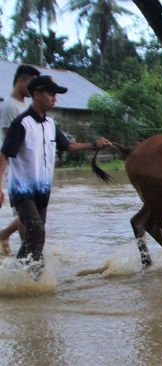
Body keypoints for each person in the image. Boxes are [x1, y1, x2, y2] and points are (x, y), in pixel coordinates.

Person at [0, 75, 111, 279]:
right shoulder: (21, 123)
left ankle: (24, 277)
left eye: (55, 95)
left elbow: (67, 146)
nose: (54, 99)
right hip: (22, 190)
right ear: (36, 95)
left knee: (35, 235)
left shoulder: (50, 123)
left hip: (43, 190)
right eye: (50, 94)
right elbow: (5, 154)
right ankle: (23, 276)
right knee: (37, 230)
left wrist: (94, 145)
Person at [0, 64, 41, 255]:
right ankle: (28, 262)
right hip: (19, 172)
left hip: (31, 170)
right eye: (31, 84)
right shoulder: (9, 106)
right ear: (21, 81)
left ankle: (4, 236)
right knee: (29, 220)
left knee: (30, 217)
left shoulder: (24, 105)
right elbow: (10, 144)